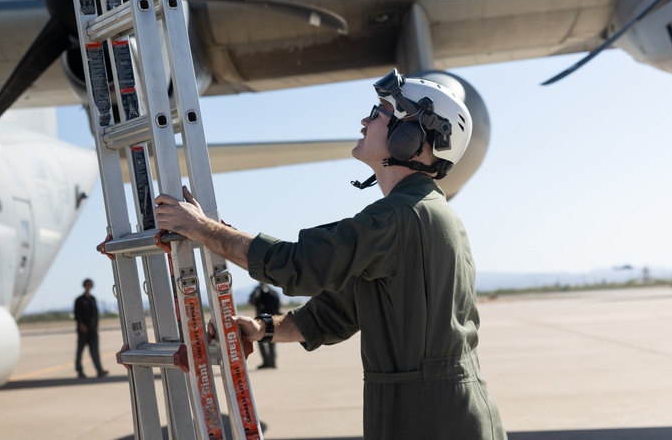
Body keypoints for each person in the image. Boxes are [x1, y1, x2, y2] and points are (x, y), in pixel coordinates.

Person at [154, 69, 506, 439]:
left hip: (429, 419)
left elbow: (298, 266)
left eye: (378, 112)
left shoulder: (398, 218)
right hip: (436, 412)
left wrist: (202, 228)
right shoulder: (425, 212)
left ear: (409, 137)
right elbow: (336, 313)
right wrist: (264, 329)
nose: (364, 120)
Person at [74, 278, 108, 378]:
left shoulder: (92, 299)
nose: (88, 286)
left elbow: (96, 313)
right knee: (80, 351)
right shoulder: (79, 300)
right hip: (83, 331)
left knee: (95, 351)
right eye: (87, 285)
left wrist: (97, 324)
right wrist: (81, 324)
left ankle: (99, 370)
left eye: (90, 285)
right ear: (84, 286)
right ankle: (79, 371)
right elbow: (77, 314)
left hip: (93, 330)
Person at [248, 282, 281, 368]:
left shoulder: (259, 291)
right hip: (273, 319)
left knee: (261, 341)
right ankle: (272, 361)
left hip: (262, 320)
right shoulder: (273, 292)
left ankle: (267, 362)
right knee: (272, 341)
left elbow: (251, 301)